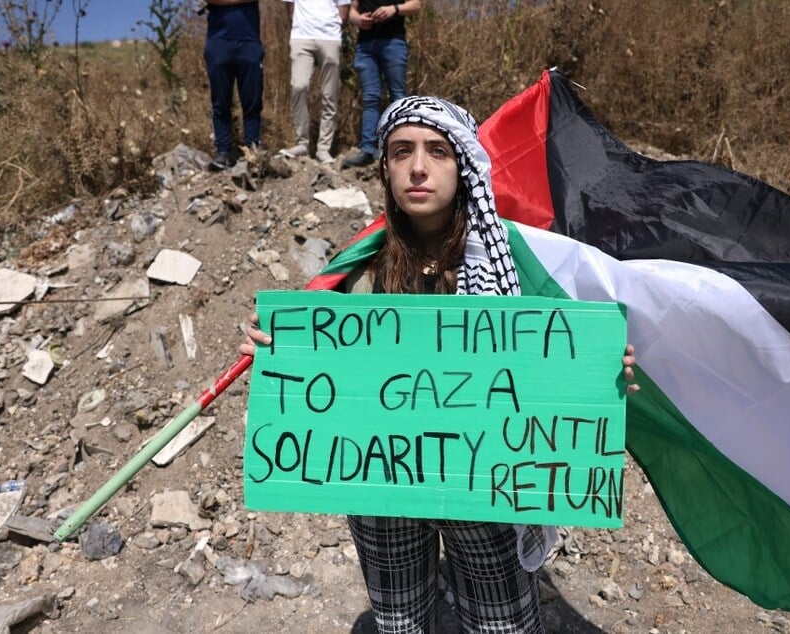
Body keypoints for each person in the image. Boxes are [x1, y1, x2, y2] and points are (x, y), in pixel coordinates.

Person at [242, 95, 639, 632]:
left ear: (465, 165)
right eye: (402, 152)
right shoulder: (359, 269)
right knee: (399, 622)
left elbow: (554, 358)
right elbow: (325, 372)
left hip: (487, 490)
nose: (419, 167)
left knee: (504, 625)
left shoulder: (518, 265)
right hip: (383, 490)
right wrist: (276, 351)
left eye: (437, 152)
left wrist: (597, 368)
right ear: (385, 167)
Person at [341, 0, 422, 168]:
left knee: (398, 97)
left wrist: (394, 9)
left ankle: (401, 149)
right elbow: (352, 11)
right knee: (370, 98)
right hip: (365, 46)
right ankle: (368, 150)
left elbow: (416, 5)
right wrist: (358, 20)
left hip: (393, 42)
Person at [279, 0, 350, 164]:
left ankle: (324, 148)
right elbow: (290, 8)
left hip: (329, 37)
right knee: (299, 86)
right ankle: (302, 143)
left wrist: (333, 28)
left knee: (329, 94)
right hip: (301, 37)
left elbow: (344, 10)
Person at [203, 0, 265, 171]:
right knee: (220, 102)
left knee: (252, 101)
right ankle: (223, 152)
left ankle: (253, 150)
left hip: (249, 41)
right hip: (218, 42)